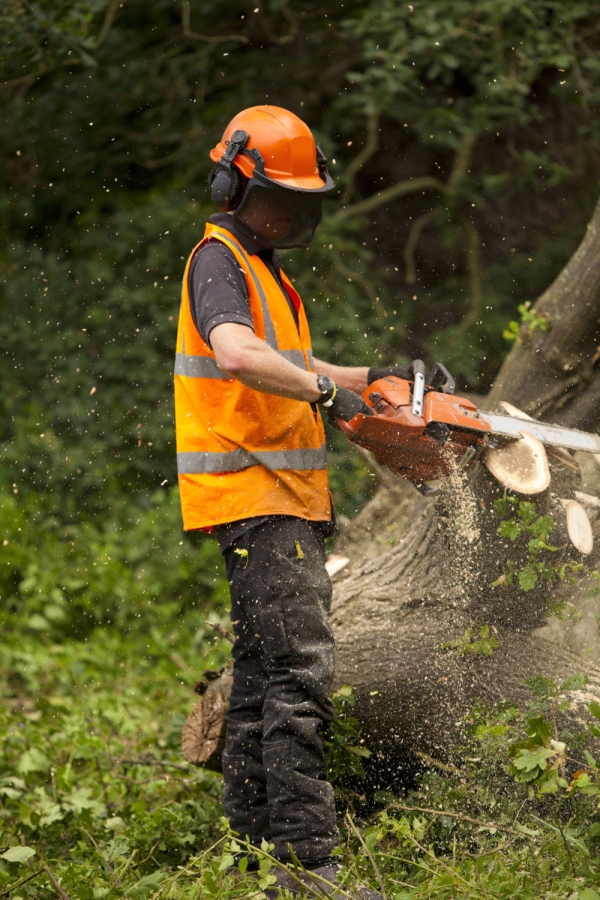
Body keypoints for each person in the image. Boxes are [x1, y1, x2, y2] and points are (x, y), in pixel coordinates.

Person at [174, 105, 414, 898]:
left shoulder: (264, 269)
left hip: (275, 498)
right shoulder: (219, 263)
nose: (292, 212)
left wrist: (368, 380)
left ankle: (251, 853)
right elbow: (240, 354)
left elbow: (293, 361)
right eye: (279, 195)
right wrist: (323, 391)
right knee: (302, 675)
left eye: (302, 198)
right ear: (233, 184)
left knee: (260, 676)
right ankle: (309, 870)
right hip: (255, 494)